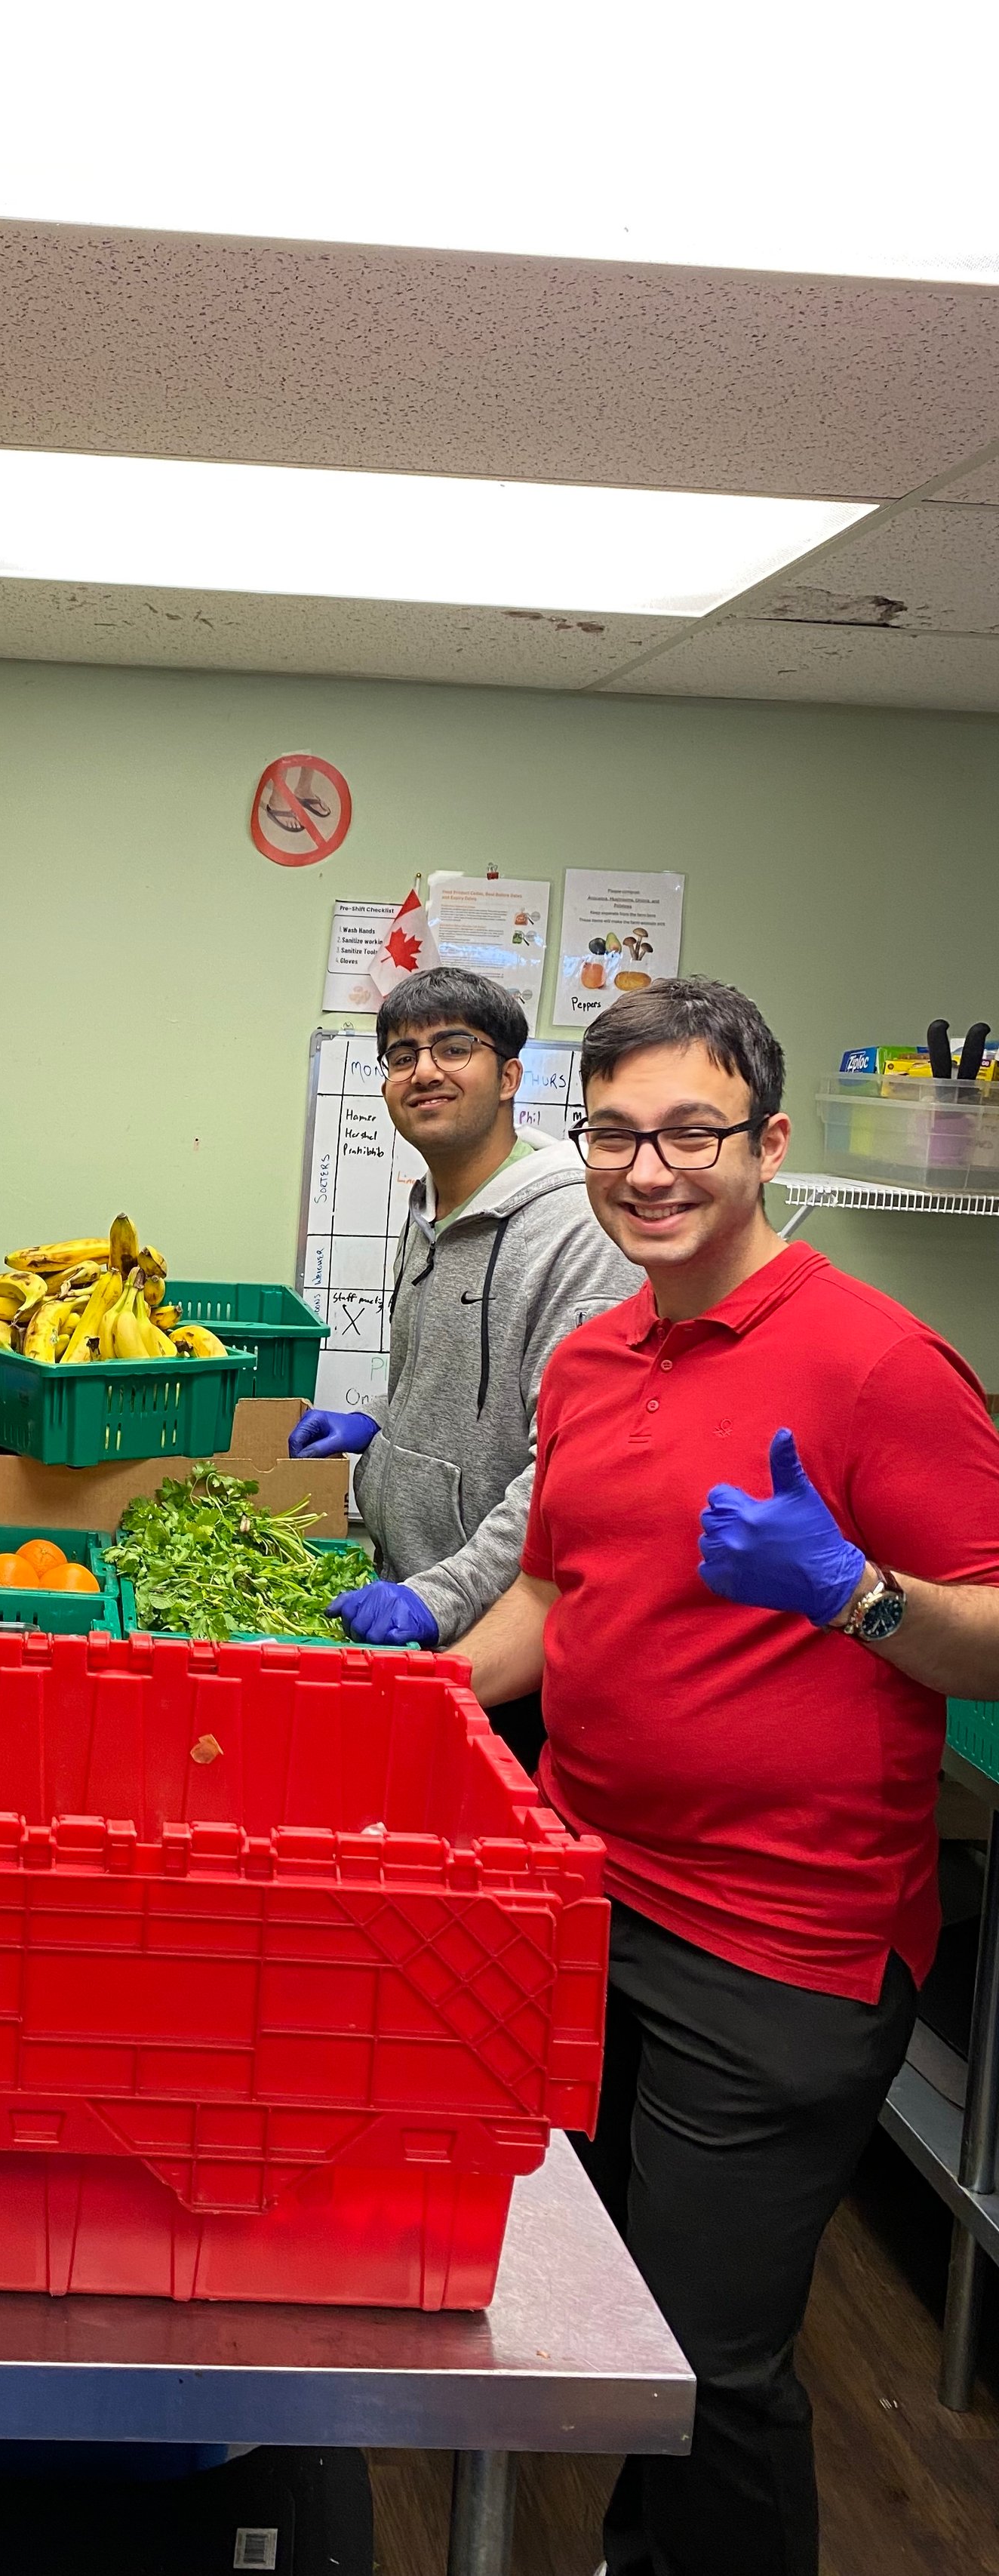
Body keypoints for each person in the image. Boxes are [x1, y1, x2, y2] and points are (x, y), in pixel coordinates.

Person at [455, 977, 999, 2576]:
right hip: (587, 1894)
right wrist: (420, 1692)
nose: (648, 1169)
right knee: (613, 2306)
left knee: (710, 2366)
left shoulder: (879, 1362)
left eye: (691, 1131)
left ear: (766, 1143)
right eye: (615, 1133)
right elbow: (551, 1593)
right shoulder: (591, 1356)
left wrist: (854, 1591)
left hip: (780, 1942)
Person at [290, 965, 639, 1766]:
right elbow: (447, 1379)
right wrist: (375, 1419)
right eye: (402, 1054)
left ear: (509, 1076)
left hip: (505, 1646)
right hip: (414, 1598)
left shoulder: (577, 1233)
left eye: (454, 1047)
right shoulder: (429, 1210)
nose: (424, 1070)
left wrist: (437, 1598)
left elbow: (565, 1471)